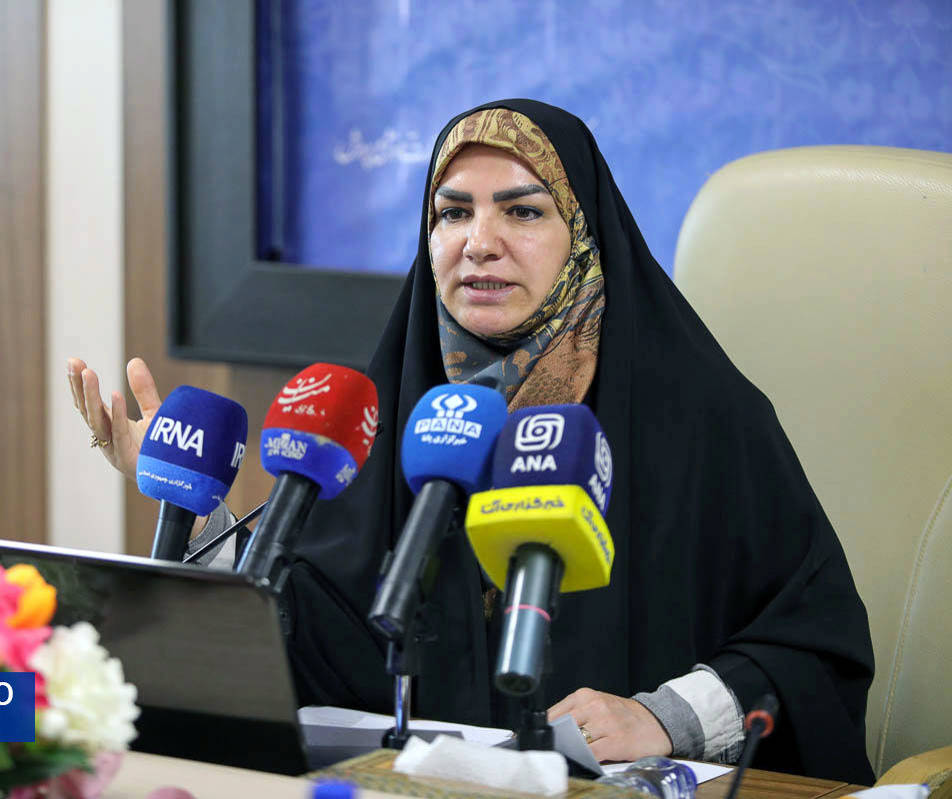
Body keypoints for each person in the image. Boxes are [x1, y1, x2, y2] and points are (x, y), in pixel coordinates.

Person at [67, 100, 875, 784]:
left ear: (584, 234)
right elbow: (305, 640)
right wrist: (189, 512)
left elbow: (815, 648)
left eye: (522, 211)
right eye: (452, 212)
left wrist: (662, 718)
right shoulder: (389, 408)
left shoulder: (701, 414)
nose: (478, 241)